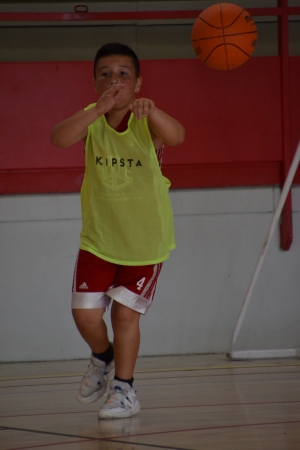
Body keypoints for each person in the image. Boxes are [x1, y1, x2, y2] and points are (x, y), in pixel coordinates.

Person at [51, 43, 185, 419]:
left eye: (123, 74)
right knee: (86, 317)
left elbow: (177, 136)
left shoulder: (147, 120)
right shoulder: (91, 118)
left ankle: (124, 390)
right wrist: (97, 109)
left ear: (138, 83)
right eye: (106, 74)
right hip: (99, 239)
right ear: (95, 82)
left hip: (144, 241)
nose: (115, 80)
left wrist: (155, 111)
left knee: (125, 318)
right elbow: (59, 139)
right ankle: (103, 357)